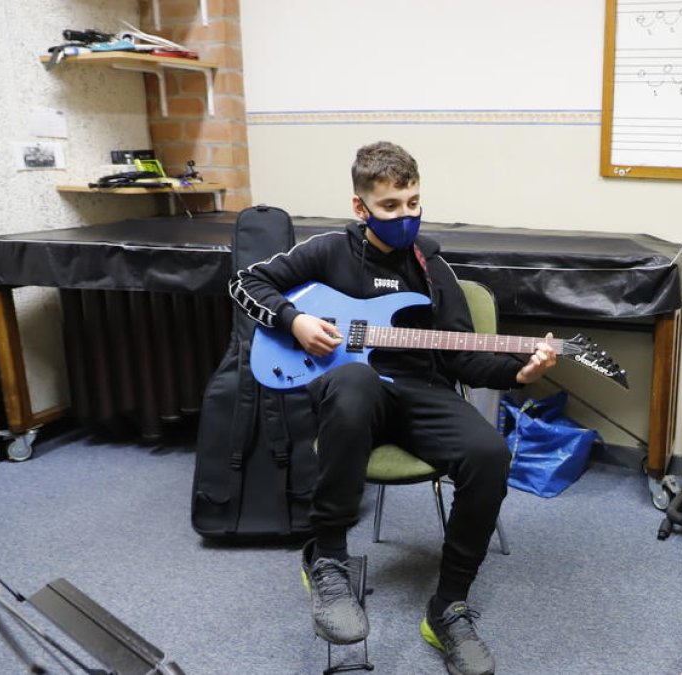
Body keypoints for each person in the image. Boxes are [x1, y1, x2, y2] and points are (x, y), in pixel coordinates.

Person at [230, 141, 557, 675]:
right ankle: (329, 556)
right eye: (391, 206)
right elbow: (246, 282)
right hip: (353, 395)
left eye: (413, 202)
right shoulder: (328, 252)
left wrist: (521, 371)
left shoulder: (433, 269)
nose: (405, 215)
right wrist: (294, 320)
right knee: (355, 378)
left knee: (490, 453)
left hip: (423, 392)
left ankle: (447, 607)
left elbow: (467, 362)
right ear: (361, 208)